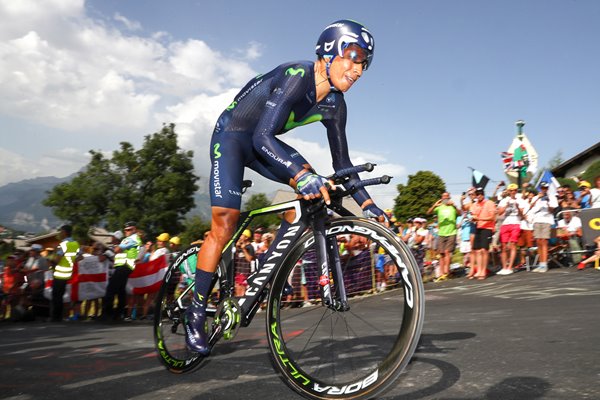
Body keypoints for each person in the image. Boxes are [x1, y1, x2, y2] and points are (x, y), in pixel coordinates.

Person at [183, 20, 384, 354]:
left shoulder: (335, 105)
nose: (358, 69)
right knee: (225, 223)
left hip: (265, 142)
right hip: (234, 138)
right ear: (328, 52)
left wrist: (367, 205)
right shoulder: (297, 75)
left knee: (316, 191)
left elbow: (341, 166)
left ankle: (260, 281)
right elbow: (261, 136)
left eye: (363, 63)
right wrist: (300, 175)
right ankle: (195, 311)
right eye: (352, 56)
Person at [102, 221, 141, 321]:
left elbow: (117, 250)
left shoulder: (131, 239)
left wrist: (109, 248)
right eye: (125, 230)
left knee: (111, 289)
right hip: (125, 267)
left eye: (129, 230)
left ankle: (107, 314)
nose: (127, 231)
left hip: (124, 267)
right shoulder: (134, 238)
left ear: (134, 229)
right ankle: (118, 315)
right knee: (120, 292)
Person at [427, 192, 460, 282]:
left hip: (451, 232)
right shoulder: (439, 207)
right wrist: (434, 205)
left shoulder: (452, 206)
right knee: (441, 253)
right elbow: (428, 212)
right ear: (441, 198)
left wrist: (455, 206)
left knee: (447, 252)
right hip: (441, 233)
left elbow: (460, 213)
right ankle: (441, 273)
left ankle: (446, 272)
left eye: (447, 197)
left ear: (449, 197)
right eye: (443, 197)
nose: (445, 198)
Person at [50, 224, 80, 322]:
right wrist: (71, 261)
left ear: (65, 232)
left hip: (59, 272)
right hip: (68, 272)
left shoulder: (63, 244)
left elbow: (57, 259)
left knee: (56, 296)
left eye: (61, 231)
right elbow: (81, 257)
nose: (60, 233)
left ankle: (56, 317)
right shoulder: (75, 244)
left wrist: (55, 251)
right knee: (61, 295)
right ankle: (60, 317)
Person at [496, 183, 527, 275]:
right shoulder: (504, 200)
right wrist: (506, 205)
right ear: (508, 191)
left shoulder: (520, 200)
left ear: (517, 191)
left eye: (515, 190)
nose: (513, 192)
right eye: (511, 190)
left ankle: (510, 267)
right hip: (505, 224)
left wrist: (517, 207)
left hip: (515, 223)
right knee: (504, 246)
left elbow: (522, 215)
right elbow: (500, 213)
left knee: (513, 245)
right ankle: (504, 267)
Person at [529, 182, 558, 272]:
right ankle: (540, 263)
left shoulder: (551, 197)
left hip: (547, 220)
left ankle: (544, 264)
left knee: (544, 241)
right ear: (540, 188)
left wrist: (548, 201)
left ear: (547, 188)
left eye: (545, 188)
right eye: (542, 188)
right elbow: (531, 206)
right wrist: (538, 197)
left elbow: (552, 210)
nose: (544, 189)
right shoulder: (536, 197)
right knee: (538, 241)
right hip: (537, 220)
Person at [469, 187, 497, 280]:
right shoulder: (475, 205)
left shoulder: (489, 203)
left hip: (487, 228)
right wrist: (473, 218)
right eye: (477, 194)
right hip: (478, 228)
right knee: (477, 250)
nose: (479, 195)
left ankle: (483, 271)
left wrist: (479, 219)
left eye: (481, 194)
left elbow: (492, 217)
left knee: (484, 250)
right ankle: (479, 270)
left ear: (483, 194)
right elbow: (473, 214)